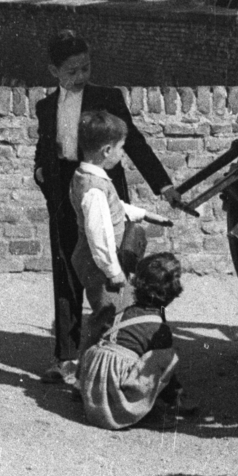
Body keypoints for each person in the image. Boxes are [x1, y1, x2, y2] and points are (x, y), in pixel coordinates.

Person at [34, 29, 181, 383]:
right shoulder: (45, 106)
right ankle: (66, 358)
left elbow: (135, 144)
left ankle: (114, 352)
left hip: (103, 185)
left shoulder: (107, 97)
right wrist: (41, 174)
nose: (81, 77)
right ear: (54, 71)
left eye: (86, 68)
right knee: (66, 272)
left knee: (114, 273)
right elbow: (45, 145)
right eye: (72, 71)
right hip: (64, 192)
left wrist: (163, 185)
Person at [69, 110, 155, 350]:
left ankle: (98, 369)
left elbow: (114, 207)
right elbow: (99, 235)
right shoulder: (94, 188)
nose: (122, 153)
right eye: (121, 148)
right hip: (101, 265)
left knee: (113, 313)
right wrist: (113, 270)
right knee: (107, 317)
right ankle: (89, 373)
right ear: (107, 151)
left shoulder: (86, 176)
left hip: (101, 263)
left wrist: (143, 213)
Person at [78, 252, 192, 429]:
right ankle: (146, 411)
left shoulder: (124, 311)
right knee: (166, 359)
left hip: (95, 389)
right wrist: (175, 395)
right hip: (116, 400)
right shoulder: (157, 329)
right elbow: (160, 371)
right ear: (172, 292)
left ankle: (89, 395)